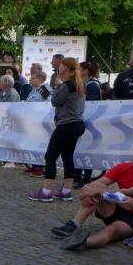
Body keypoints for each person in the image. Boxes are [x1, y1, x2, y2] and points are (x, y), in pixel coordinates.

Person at [52, 143, 133, 250]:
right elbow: (97, 183)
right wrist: (89, 191)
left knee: (110, 231)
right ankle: (75, 224)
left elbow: (130, 193)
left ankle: (83, 242)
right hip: (119, 208)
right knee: (97, 186)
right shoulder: (123, 167)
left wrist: (95, 191)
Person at [28, 57, 85, 203]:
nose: (58, 68)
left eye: (60, 65)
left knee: (50, 157)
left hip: (66, 125)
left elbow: (54, 101)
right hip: (77, 124)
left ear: (65, 67)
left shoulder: (67, 85)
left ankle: (46, 192)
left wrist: (59, 86)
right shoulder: (78, 84)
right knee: (67, 156)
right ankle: (66, 191)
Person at [75, 61, 102, 189]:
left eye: (79, 69)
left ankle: (86, 178)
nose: (77, 71)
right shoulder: (82, 84)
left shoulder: (93, 85)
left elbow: (92, 104)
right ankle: (77, 175)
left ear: (85, 71)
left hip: (89, 121)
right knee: (79, 148)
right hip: (80, 120)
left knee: (87, 149)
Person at [22, 68, 52, 177]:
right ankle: (35, 165)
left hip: (40, 121)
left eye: (33, 78)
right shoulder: (34, 90)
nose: (30, 80)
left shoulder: (43, 89)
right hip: (33, 120)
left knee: (40, 145)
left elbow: (48, 103)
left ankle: (41, 167)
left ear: (40, 79)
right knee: (33, 144)